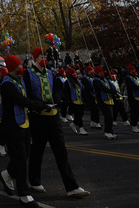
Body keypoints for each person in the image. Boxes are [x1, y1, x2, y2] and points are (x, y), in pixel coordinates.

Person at [22, 48, 90, 199]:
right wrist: (40, 104)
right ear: (34, 58)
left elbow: (58, 90)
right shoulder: (28, 74)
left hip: (53, 116)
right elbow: (27, 94)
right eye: (41, 56)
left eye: (45, 55)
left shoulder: (50, 73)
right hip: (38, 117)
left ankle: (72, 186)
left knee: (61, 151)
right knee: (37, 150)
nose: (44, 58)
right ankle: (34, 181)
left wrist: (57, 99)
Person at [0, 55, 48, 208]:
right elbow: (21, 101)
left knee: (25, 155)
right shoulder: (7, 85)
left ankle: (6, 175)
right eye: (19, 65)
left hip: (24, 124)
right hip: (12, 126)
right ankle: (24, 194)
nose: (22, 67)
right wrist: (39, 105)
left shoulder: (18, 81)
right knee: (19, 159)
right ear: (13, 67)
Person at [91, 66, 117, 139]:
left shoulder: (105, 79)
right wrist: (111, 91)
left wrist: (114, 92)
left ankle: (110, 131)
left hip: (109, 100)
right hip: (102, 100)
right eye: (100, 72)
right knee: (108, 116)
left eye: (102, 72)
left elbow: (110, 86)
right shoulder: (96, 80)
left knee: (111, 117)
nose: (102, 73)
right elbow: (102, 88)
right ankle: (107, 132)